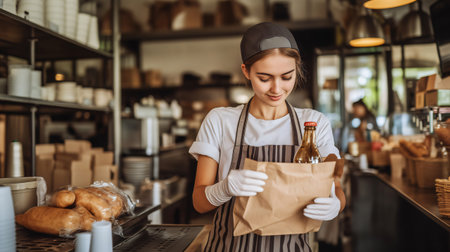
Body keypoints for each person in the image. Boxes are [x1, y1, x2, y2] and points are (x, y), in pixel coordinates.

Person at [189, 22, 346, 251]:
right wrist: (224, 188)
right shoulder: (220, 121)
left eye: (287, 76)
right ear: (246, 71)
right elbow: (199, 203)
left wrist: (336, 205)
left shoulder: (313, 123)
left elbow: (336, 188)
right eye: (264, 78)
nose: (276, 88)